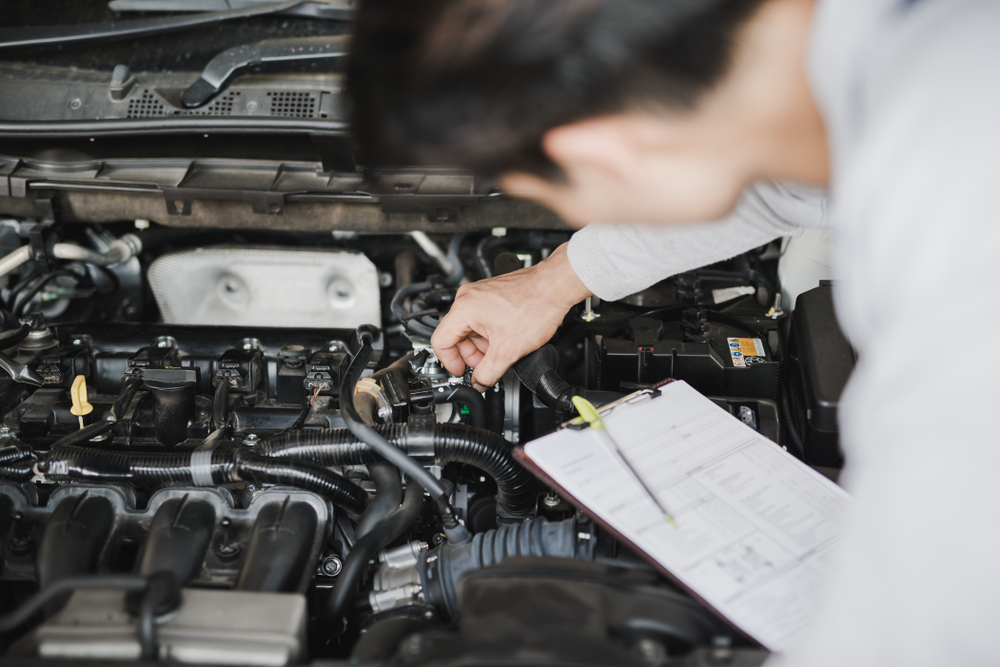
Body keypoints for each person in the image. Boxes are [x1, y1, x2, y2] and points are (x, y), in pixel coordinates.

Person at [347, 0, 1000, 665]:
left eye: (548, 192)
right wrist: (551, 282)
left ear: (599, 151)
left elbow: (918, 630)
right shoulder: (883, 62)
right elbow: (773, 187)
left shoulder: (960, 260)